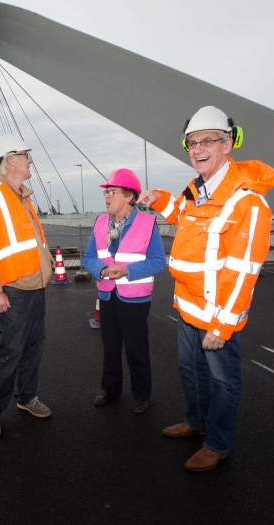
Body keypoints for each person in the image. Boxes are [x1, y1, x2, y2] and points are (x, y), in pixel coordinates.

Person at [138, 106, 274, 471]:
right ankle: (197, 421)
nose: (197, 149)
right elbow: (184, 213)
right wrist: (159, 200)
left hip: (217, 316)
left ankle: (217, 443)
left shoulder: (246, 200)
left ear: (228, 143)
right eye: (191, 143)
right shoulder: (198, 187)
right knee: (191, 370)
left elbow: (243, 270)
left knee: (223, 380)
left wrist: (222, 326)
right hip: (188, 306)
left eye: (207, 141)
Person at [0, 134, 54, 439]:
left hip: (36, 287)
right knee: (12, 352)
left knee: (34, 347)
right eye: (25, 155)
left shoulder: (24, 197)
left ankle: (26, 397)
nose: (30, 159)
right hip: (14, 291)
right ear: (10, 161)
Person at [82, 169, 166, 413]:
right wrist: (103, 271)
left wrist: (127, 271)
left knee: (136, 347)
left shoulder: (147, 223)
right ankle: (110, 389)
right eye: (106, 192)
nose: (107, 197)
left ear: (129, 196)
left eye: (113, 192)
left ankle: (141, 395)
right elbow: (89, 257)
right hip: (107, 294)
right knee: (109, 346)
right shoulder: (100, 223)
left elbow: (158, 261)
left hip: (135, 298)